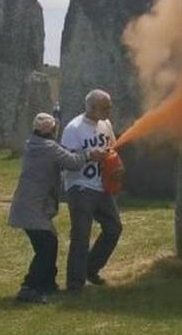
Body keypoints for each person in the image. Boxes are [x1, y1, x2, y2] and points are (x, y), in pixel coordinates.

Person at [8, 113, 107, 304]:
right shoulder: (49, 148)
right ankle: (29, 288)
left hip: (27, 204)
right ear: (53, 131)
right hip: (33, 207)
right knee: (46, 248)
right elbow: (72, 162)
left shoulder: (32, 144)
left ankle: (47, 284)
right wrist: (90, 155)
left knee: (49, 244)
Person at [61, 89, 122, 292]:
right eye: (106, 107)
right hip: (80, 187)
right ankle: (74, 284)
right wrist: (88, 155)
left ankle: (90, 268)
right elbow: (66, 162)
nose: (109, 110)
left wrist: (116, 166)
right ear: (92, 107)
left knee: (114, 228)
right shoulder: (73, 128)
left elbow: (112, 148)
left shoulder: (105, 124)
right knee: (81, 234)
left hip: (102, 186)